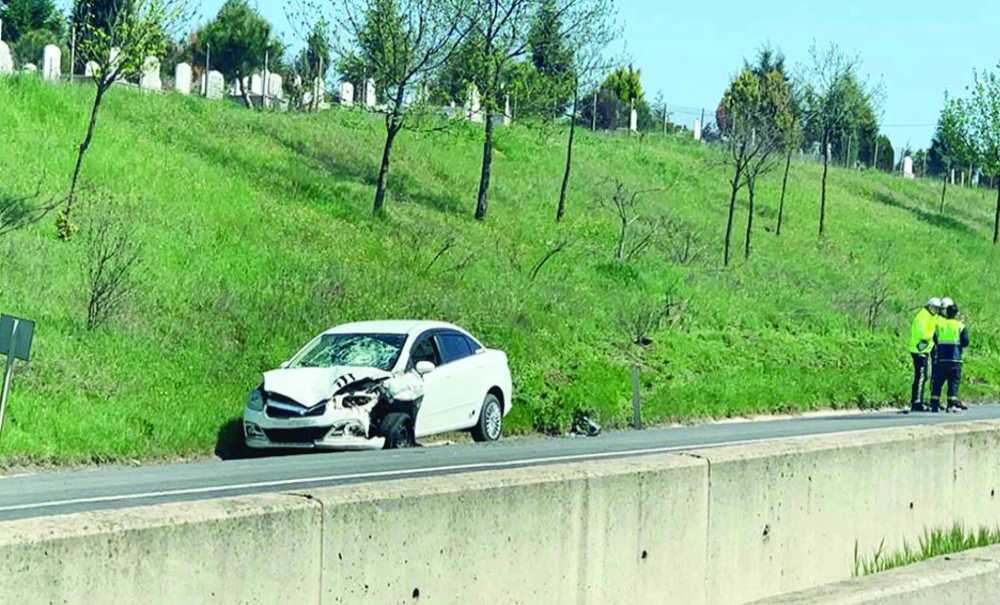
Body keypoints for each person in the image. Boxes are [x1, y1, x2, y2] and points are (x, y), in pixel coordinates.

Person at [929, 299, 970, 413]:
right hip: (955, 359)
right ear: (956, 314)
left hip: (941, 359)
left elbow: (935, 339)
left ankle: (934, 404)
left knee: (938, 382)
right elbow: (966, 342)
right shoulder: (960, 326)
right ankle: (951, 404)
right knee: (953, 382)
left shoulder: (940, 325)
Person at [909, 297, 942, 412]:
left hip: (925, 349)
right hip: (919, 349)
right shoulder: (922, 316)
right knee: (921, 376)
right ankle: (916, 402)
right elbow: (923, 334)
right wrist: (931, 337)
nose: (937, 311)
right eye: (936, 308)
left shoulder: (931, 316)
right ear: (930, 307)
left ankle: (920, 400)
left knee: (924, 376)